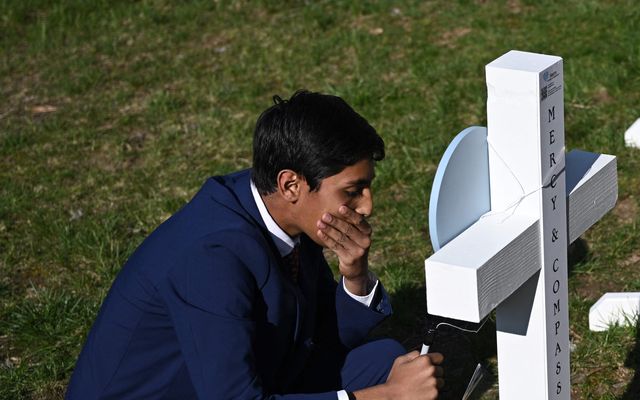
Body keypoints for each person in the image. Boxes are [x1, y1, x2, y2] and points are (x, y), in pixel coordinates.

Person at [67, 91, 443, 399]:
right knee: (387, 385)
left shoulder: (284, 212)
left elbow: (319, 341)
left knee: (386, 361)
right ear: (291, 185)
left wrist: (355, 275)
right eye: (352, 190)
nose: (367, 206)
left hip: (257, 372)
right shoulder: (211, 257)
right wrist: (387, 397)